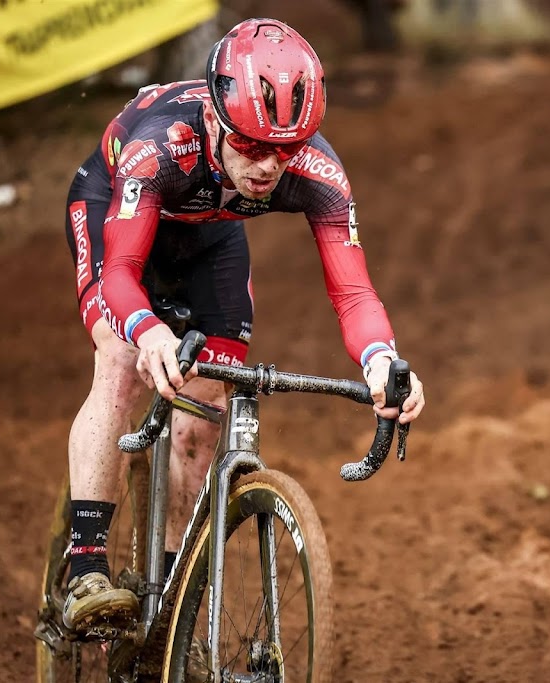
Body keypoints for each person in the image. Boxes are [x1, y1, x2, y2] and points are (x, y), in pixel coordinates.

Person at [61, 17, 426, 632]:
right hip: (115, 212)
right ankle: (85, 569)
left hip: (212, 237)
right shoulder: (161, 145)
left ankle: (171, 607)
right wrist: (149, 332)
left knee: (208, 401)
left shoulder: (314, 169)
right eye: (252, 146)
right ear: (216, 120)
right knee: (122, 362)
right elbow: (121, 271)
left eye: (285, 150)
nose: (268, 168)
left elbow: (354, 289)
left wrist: (381, 360)